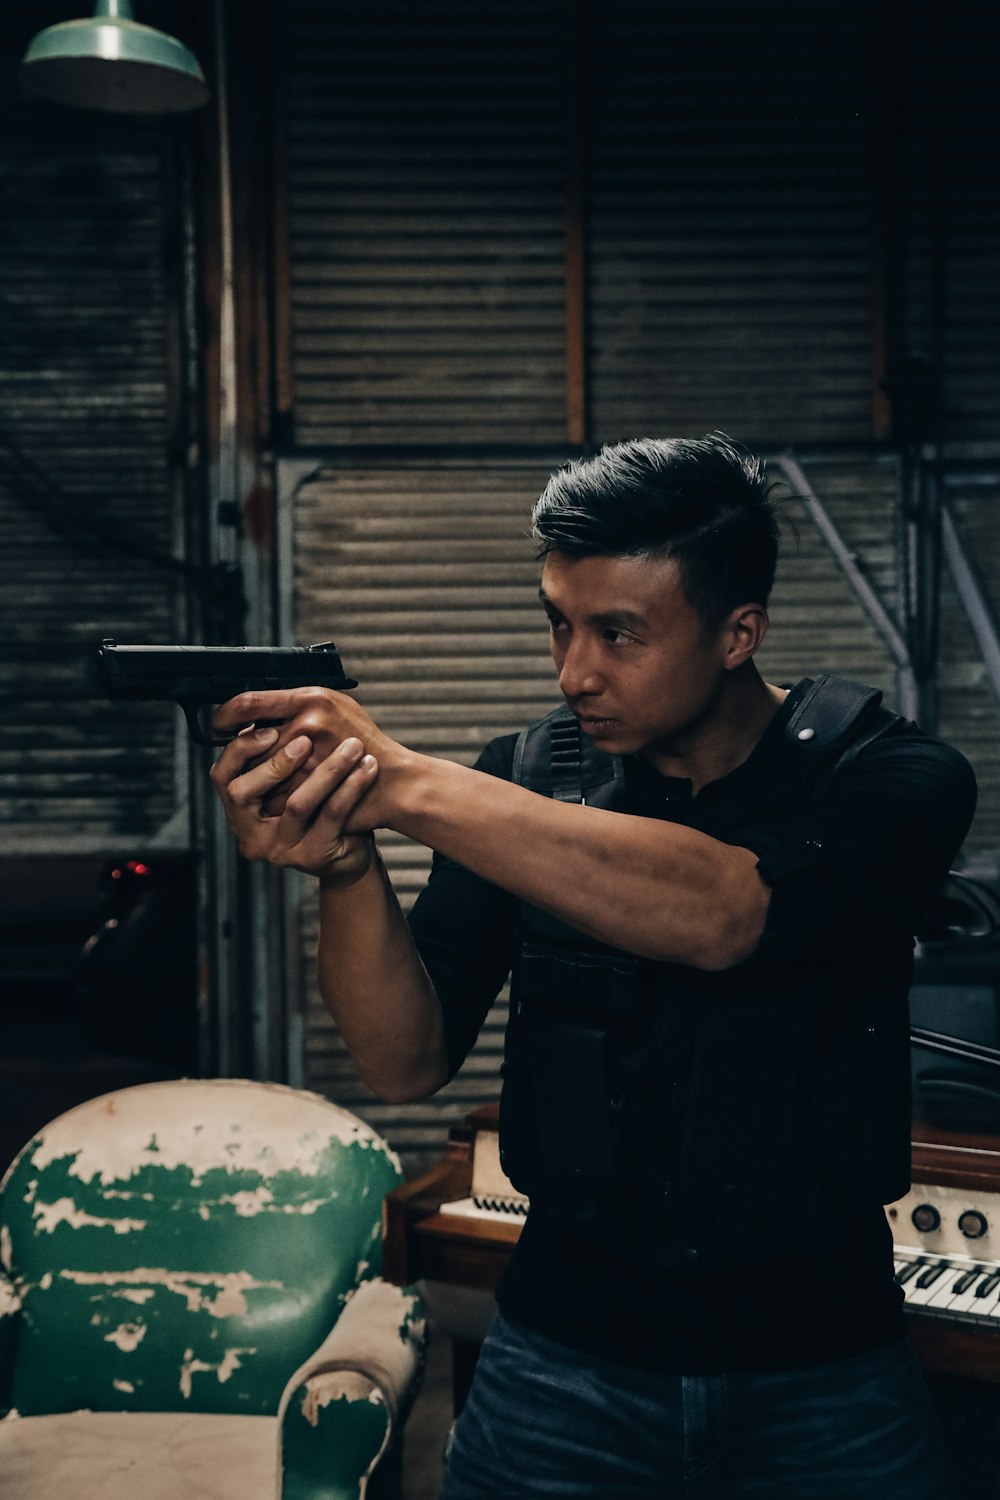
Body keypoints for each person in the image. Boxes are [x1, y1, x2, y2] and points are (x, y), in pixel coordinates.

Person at [210, 435, 976, 1499]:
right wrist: (346, 867)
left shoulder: (894, 780)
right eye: (559, 626)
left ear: (735, 633)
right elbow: (403, 1060)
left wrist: (402, 782)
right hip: (560, 1363)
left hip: (825, 1370)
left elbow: (723, 913)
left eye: (619, 633)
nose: (575, 672)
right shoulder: (519, 780)